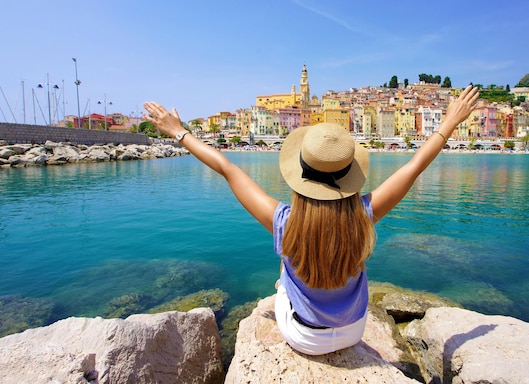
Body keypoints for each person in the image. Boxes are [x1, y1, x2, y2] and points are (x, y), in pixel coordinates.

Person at [144, 84, 479, 355]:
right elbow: (413, 167)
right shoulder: (363, 214)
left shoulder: (284, 220)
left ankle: (283, 290)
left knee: (285, 260)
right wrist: (449, 122)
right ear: (350, 174)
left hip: (302, 336)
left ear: (300, 173)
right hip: (353, 330)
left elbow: (228, 169)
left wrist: (179, 132)